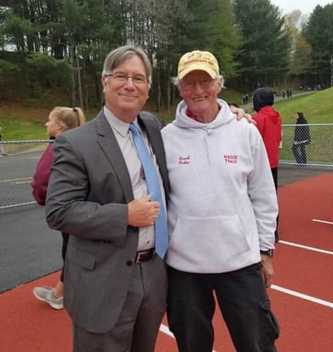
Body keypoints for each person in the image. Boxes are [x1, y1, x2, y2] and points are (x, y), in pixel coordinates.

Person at [46, 46, 169, 352]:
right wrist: (124, 215)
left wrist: (230, 114)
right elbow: (59, 211)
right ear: (104, 81)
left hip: (154, 271)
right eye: (121, 76)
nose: (130, 84)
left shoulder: (152, 126)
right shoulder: (75, 143)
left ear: (148, 88)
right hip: (103, 279)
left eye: (138, 78)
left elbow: (191, 121)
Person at [162, 50, 279, 352]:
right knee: (192, 345)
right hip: (184, 267)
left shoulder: (245, 132)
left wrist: (265, 249)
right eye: (190, 83)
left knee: (257, 343)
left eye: (206, 81)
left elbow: (264, 195)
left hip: (239, 261)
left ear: (219, 84)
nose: (198, 90)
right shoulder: (164, 138)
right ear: (180, 89)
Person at [31, 106, 86, 310]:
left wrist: (45, 200)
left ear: (60, 126)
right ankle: (64, 291)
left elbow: (41, 180)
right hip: (83, 206)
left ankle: (59, 295)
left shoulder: (60, 146)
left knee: (71, 251)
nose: (46, 124)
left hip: (68, 208)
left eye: (49, 120)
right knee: (76, 249)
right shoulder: (83, 142)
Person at [252, 87, 282, 242]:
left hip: (260, 164)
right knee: (272, 196)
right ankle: (274, 230)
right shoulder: (277, 116)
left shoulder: (259, 118)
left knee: (257, 198)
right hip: (273, 161)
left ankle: (261, 230)